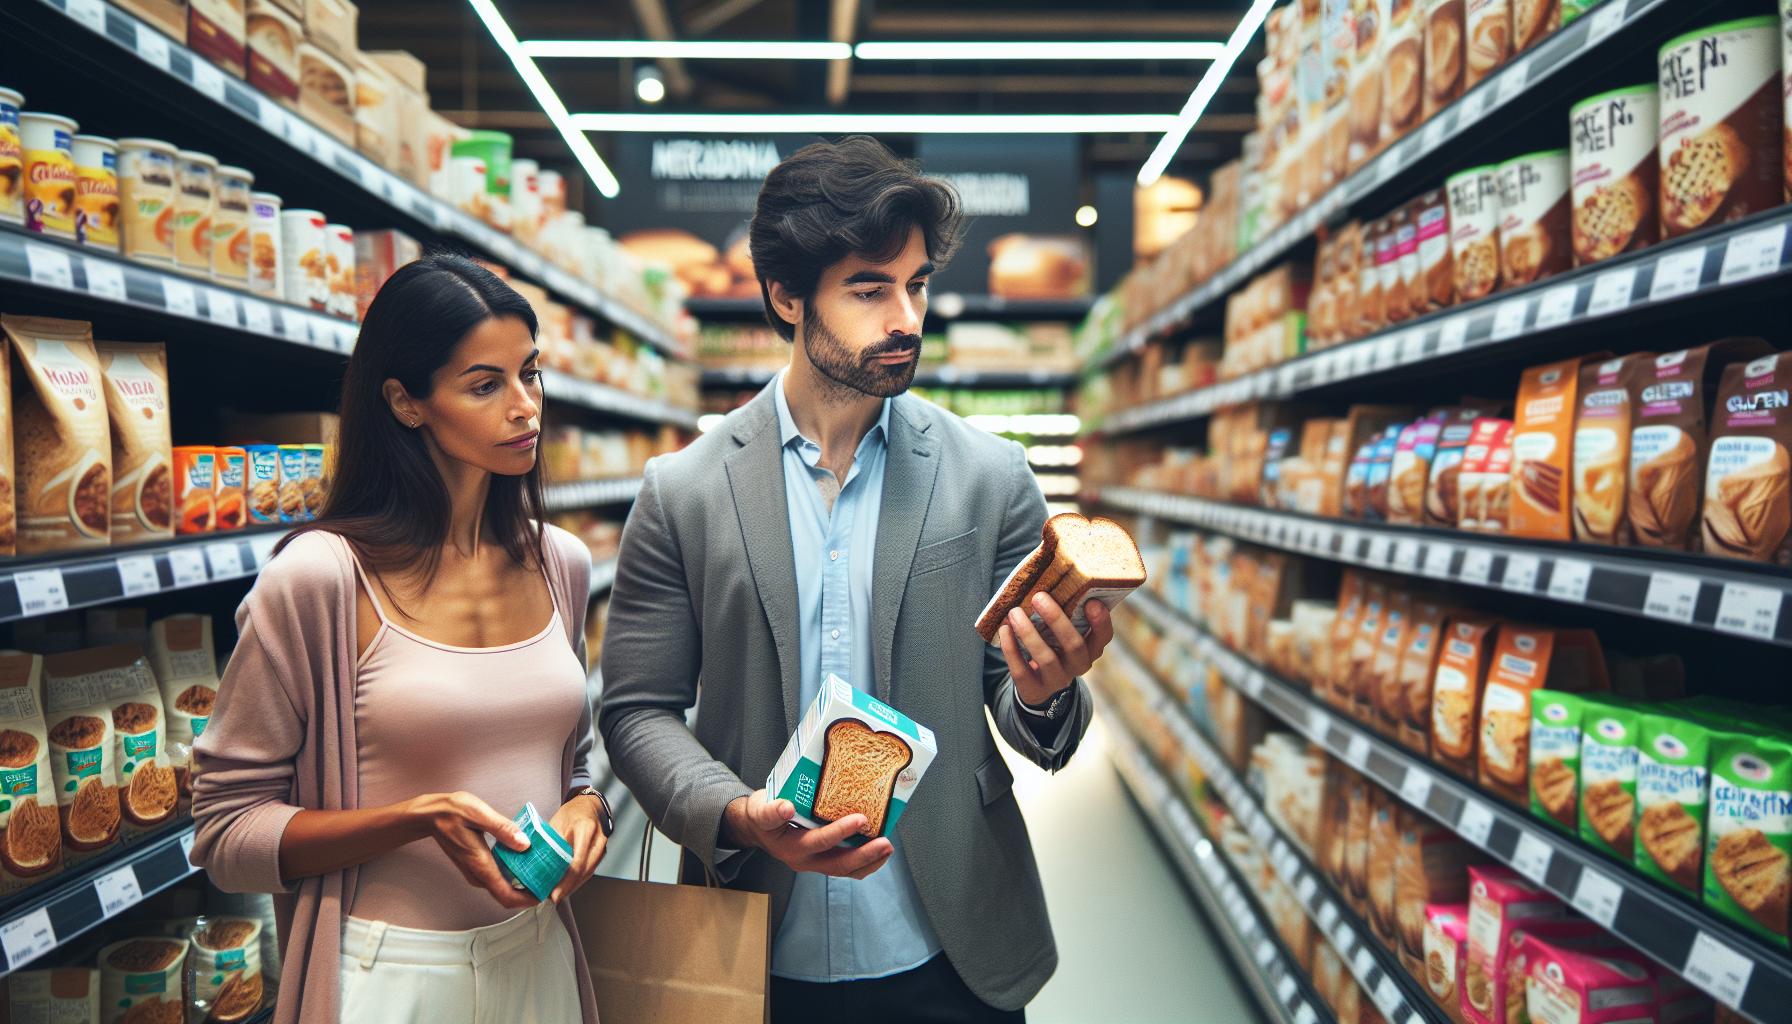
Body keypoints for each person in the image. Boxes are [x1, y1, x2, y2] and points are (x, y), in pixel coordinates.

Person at [600, 136, 1113, 1023]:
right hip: (753, 948)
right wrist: (736, 814)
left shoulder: (990, 477)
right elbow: (637, 710)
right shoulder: (683, 492)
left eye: (917, 285)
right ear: (786, 296)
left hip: (952, 943)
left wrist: (1044, 692)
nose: (907, 318)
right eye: (870, 290)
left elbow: (1024, 709)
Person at [189, 254, 612, 1024]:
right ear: (405, 402)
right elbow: (225, 831)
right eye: (485, 385)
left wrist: (590, 811)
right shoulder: (321, 579)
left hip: (538, 958)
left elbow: (573, 769)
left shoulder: (561, 563)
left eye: (530, 373)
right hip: (389, 977)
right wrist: (413, 820)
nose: (525, 408)